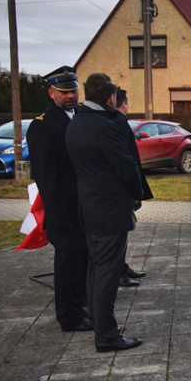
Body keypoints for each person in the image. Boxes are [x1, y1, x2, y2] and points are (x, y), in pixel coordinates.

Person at [65, 73, 145, 352]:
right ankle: (107, 336)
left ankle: (101, 329)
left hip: (89, 207)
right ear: (112, 98)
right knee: (107, 276)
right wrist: (137, 192)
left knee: (96, 272)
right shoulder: (104, 126)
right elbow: (126, 166)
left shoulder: (77, 123)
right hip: (108, 211)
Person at [26, 66, 92, 333]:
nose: (71, 96)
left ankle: (80, 306)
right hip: (64, 209)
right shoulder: (42, 125)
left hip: (83, 206)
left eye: (74, 90)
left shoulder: (77, 117)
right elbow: (46, 177)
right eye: (65, 92)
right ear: (51, 93)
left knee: (82, 259)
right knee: (67, 264)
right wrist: (59, 215)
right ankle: (69, 316)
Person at [113, 88, 153, 287]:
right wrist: (136, 191)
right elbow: (128, 161)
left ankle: (122, 267)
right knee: (120, 233)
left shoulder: (115, 122)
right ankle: (120, 272)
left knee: (123, 233)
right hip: (122, 191)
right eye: (127, 103)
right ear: (122, 103)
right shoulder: (118, 122)